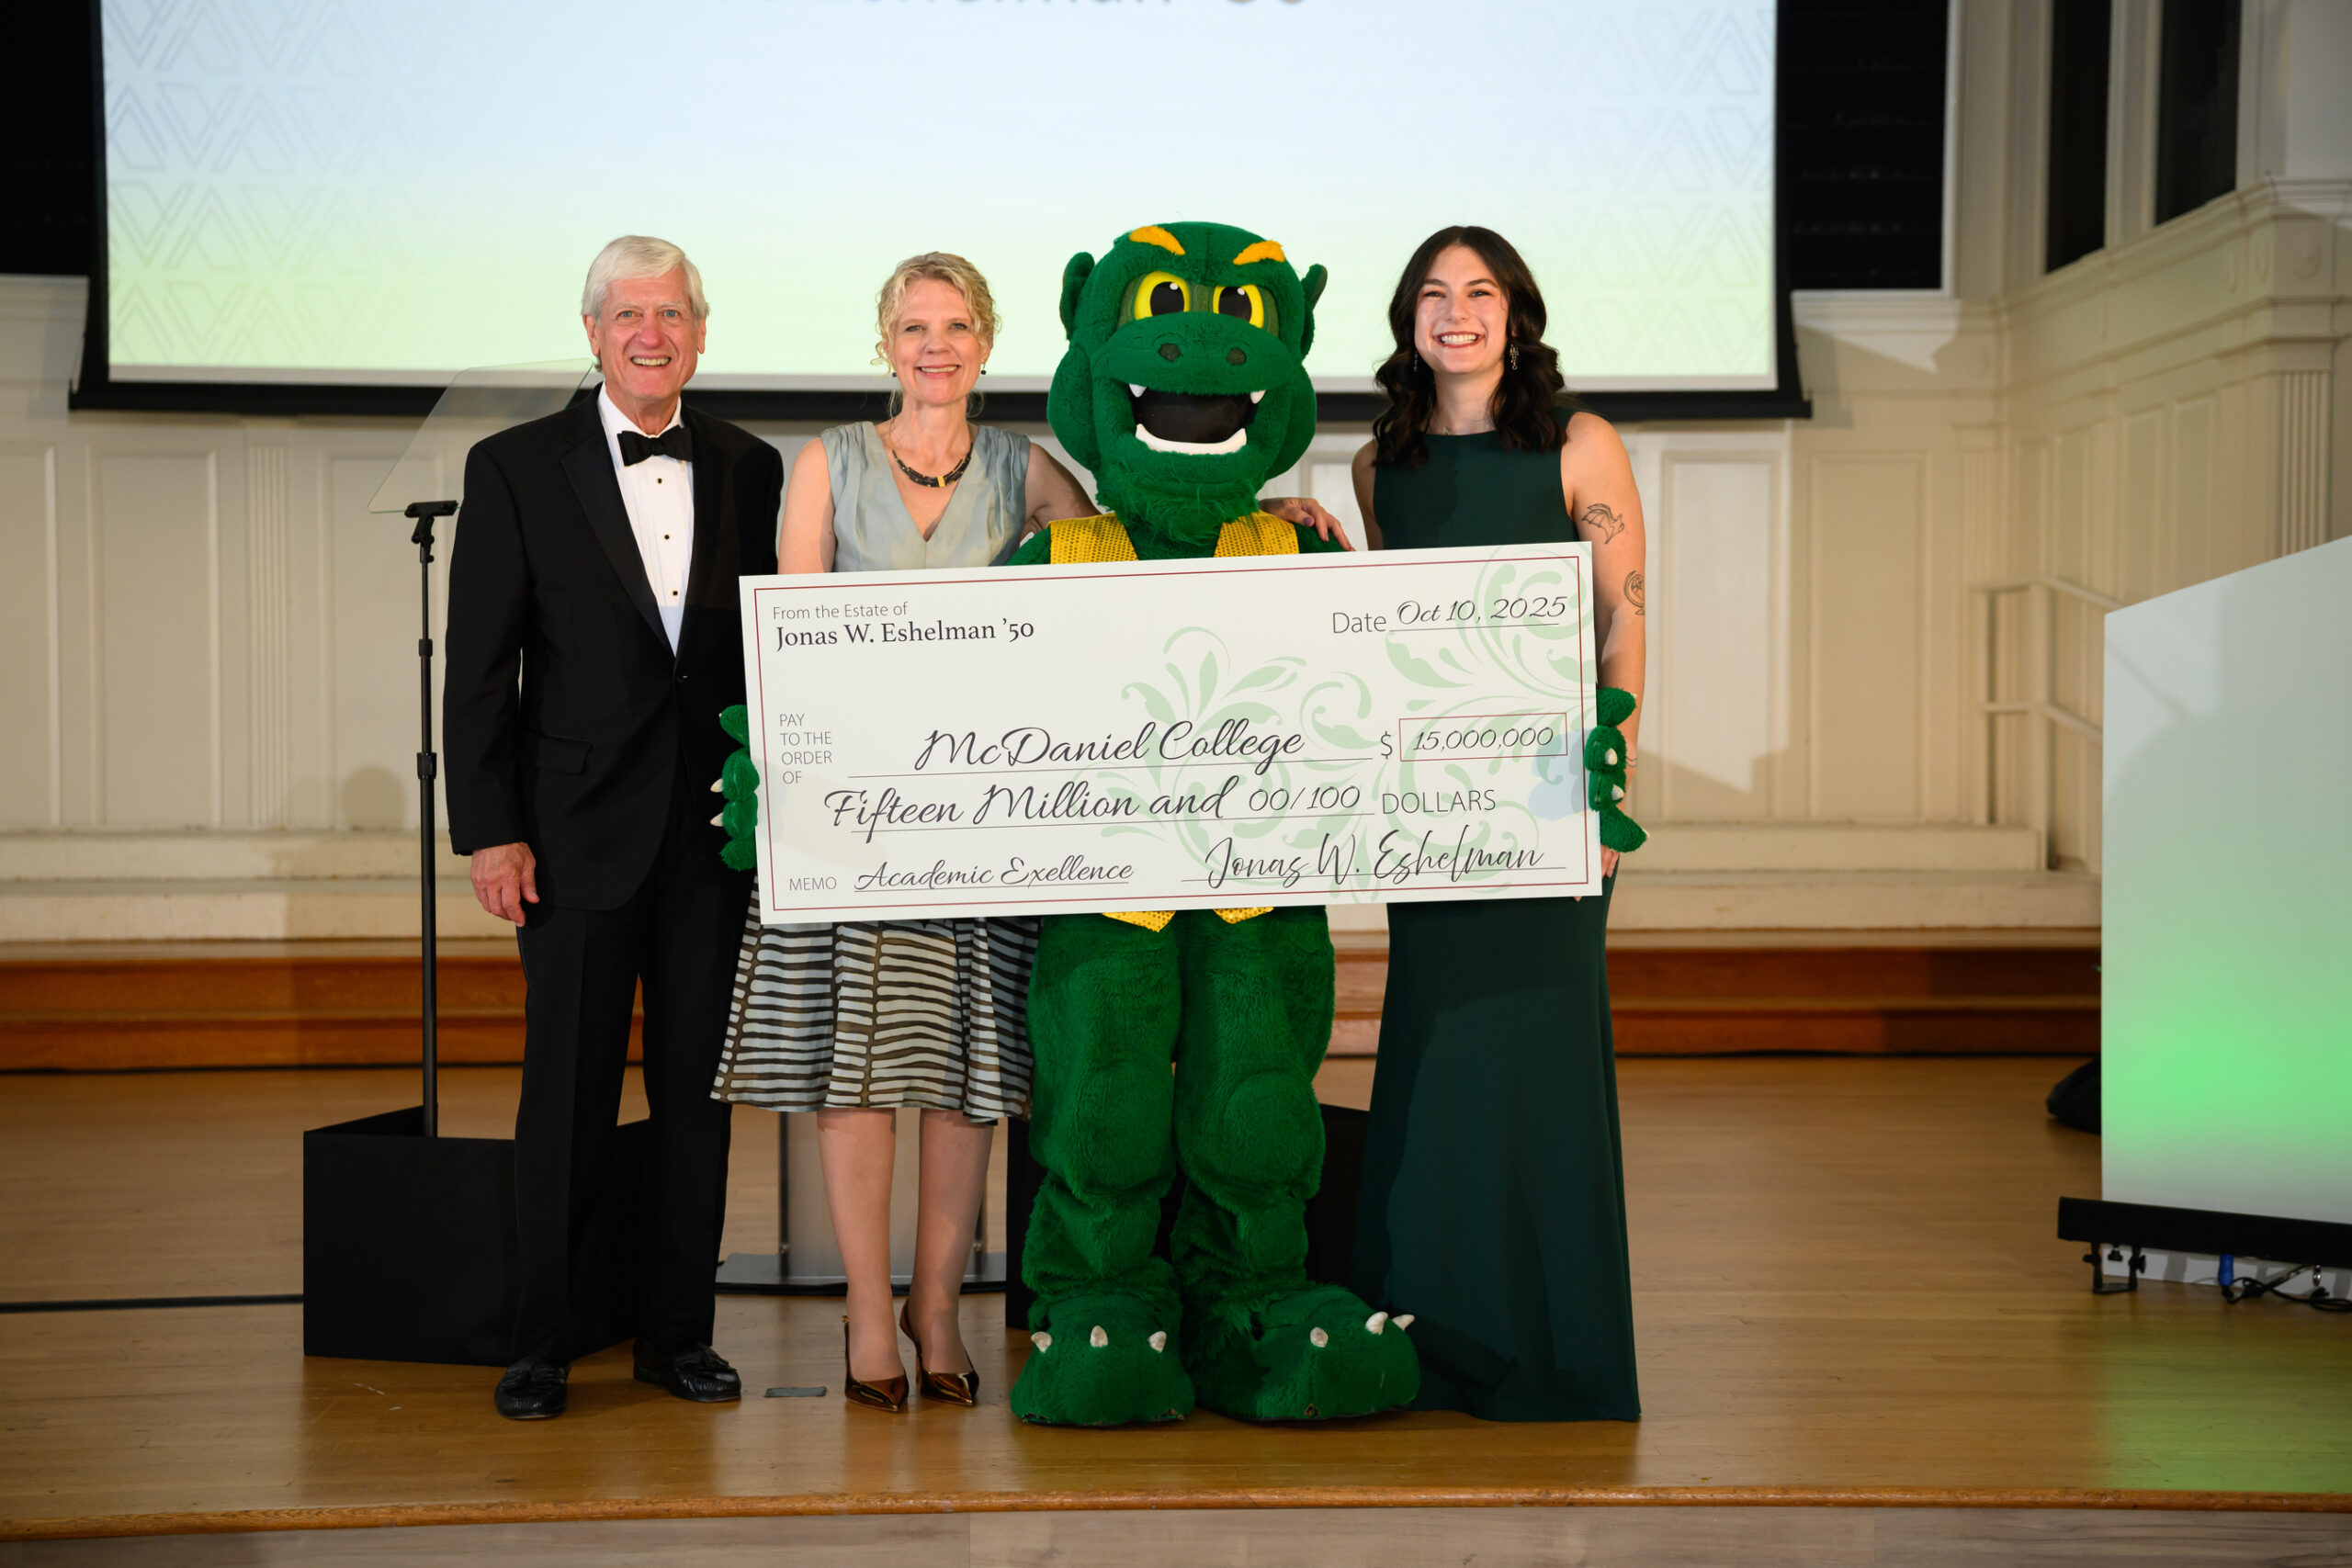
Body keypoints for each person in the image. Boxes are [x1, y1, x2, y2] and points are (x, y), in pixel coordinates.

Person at [712, 250, 1353, 1414]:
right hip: (862, 824)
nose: (934, 345)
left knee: (970, 1078)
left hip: (992, 827)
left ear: (986, 340)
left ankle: (937, 1307)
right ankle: (866, 1308)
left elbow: (1139, 547)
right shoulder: (825, 466)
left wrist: (1264, 510)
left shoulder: (1033, 473)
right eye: (913, 325)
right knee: (860, 1078)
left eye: (955, 324)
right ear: (884, 341)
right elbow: (790, 643)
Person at [444, 235, 784, 1420]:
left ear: (702, 331)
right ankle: (542, 1341)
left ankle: (675, 1337)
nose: (653, 332)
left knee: (696, 1102)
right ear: (592, 331)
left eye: (674, 312)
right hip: (570, 838)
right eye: (629, 312)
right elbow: (481, 671)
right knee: (568, 1101)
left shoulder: (750, 467)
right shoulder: (514, 467)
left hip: (709, 842)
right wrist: (491, 830)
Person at [1346, 225, 1648, 1421]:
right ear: (1408, 319)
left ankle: (1558, 1351)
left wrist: (1607, 773)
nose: (1455, 311)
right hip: (1437, 816)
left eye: (1478, 292)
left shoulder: (1582, 445)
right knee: (1434, 1058)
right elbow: (1390, 640)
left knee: (1542, 1062)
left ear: (1516, 314)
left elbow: (1621, 628)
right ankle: (1435, 1337)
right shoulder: (1382, 463)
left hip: (1550, 806)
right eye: (1433, 293)